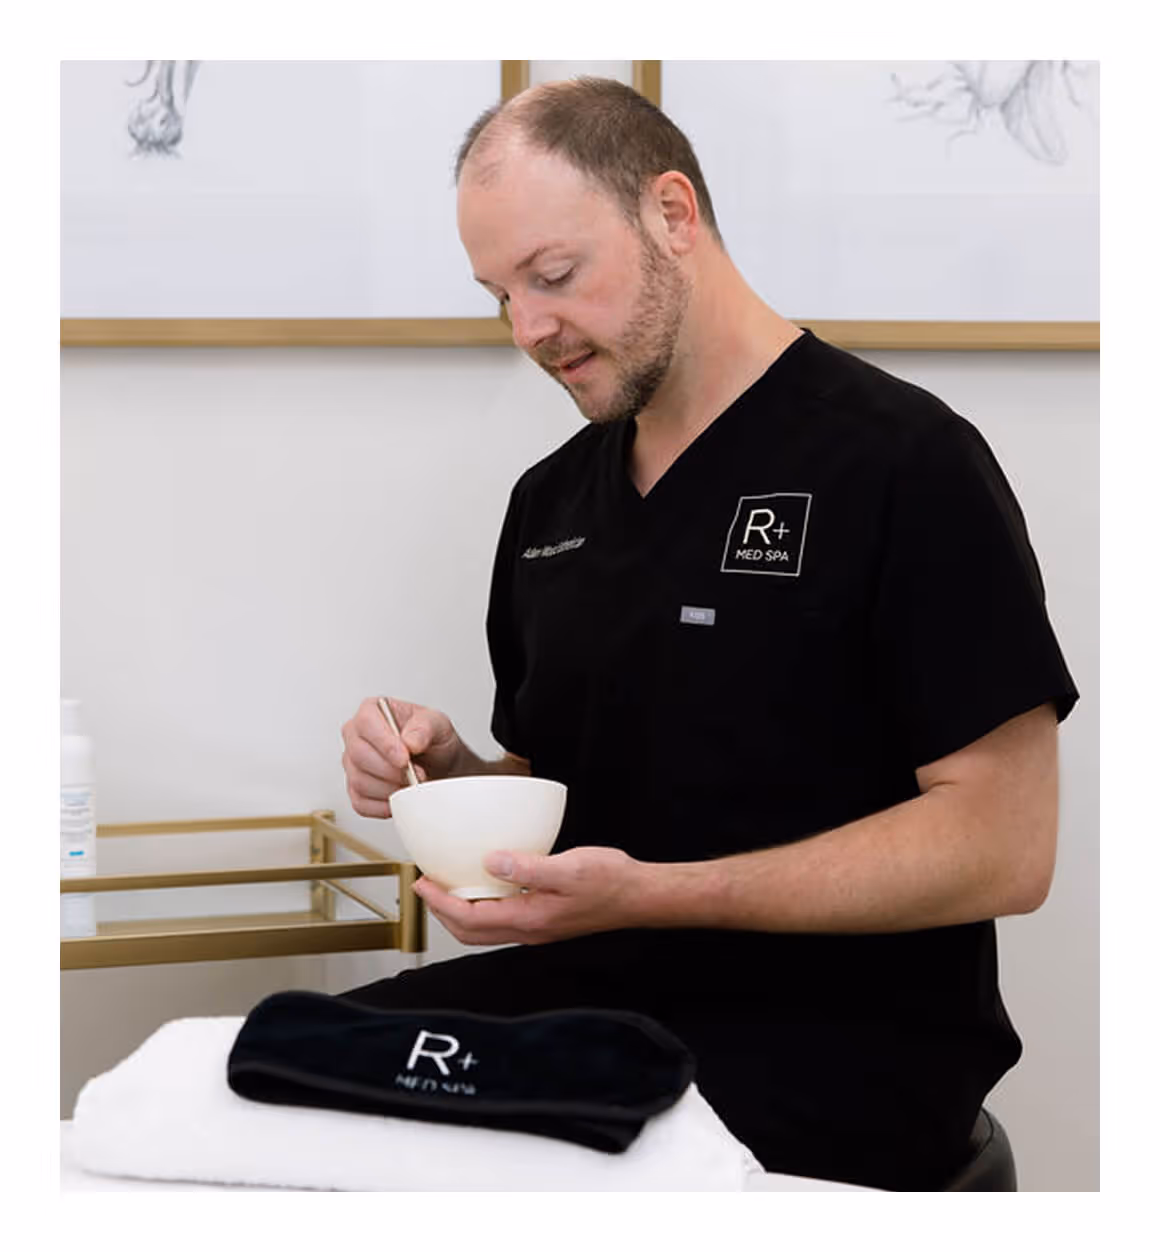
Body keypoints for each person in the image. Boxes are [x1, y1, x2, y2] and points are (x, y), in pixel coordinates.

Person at [338, 77, 1078, 1190]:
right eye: (501, 296)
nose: (529, 329)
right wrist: (456, 781)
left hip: (843, 1056)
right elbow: (566, 782)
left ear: (672, 214)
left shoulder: (903, 463)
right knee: (278, 1067)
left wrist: (659, 893)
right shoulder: (551, 502)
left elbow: (1006, 846)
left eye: (552, 275)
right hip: (588, 1005)